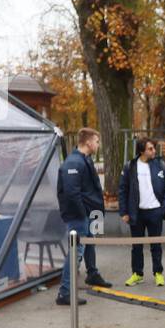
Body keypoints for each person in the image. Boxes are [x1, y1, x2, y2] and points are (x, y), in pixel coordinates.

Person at [56, 127, 109, 305]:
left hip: (90, 214)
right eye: (96, 141)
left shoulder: (84, 160)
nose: (97, 145)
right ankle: (65, 292)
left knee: (89, 244)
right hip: (80, 216)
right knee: (76, 253)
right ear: (88, 142)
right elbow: (71, 193)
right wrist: (82, 216)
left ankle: (92, 274)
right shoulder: (74, 163)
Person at [118, 137, 165, 286]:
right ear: (142, 150)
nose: (154, 151)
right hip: (136, 213)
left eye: (154, 148)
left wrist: (164, 207)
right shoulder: (130, 166)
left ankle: (158, 273)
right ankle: (137, 274)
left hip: (156, 211)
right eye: (150, 148)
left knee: (156, 245)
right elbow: (123, 190)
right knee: (136, 246)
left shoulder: (161, 165)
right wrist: (124, 212)